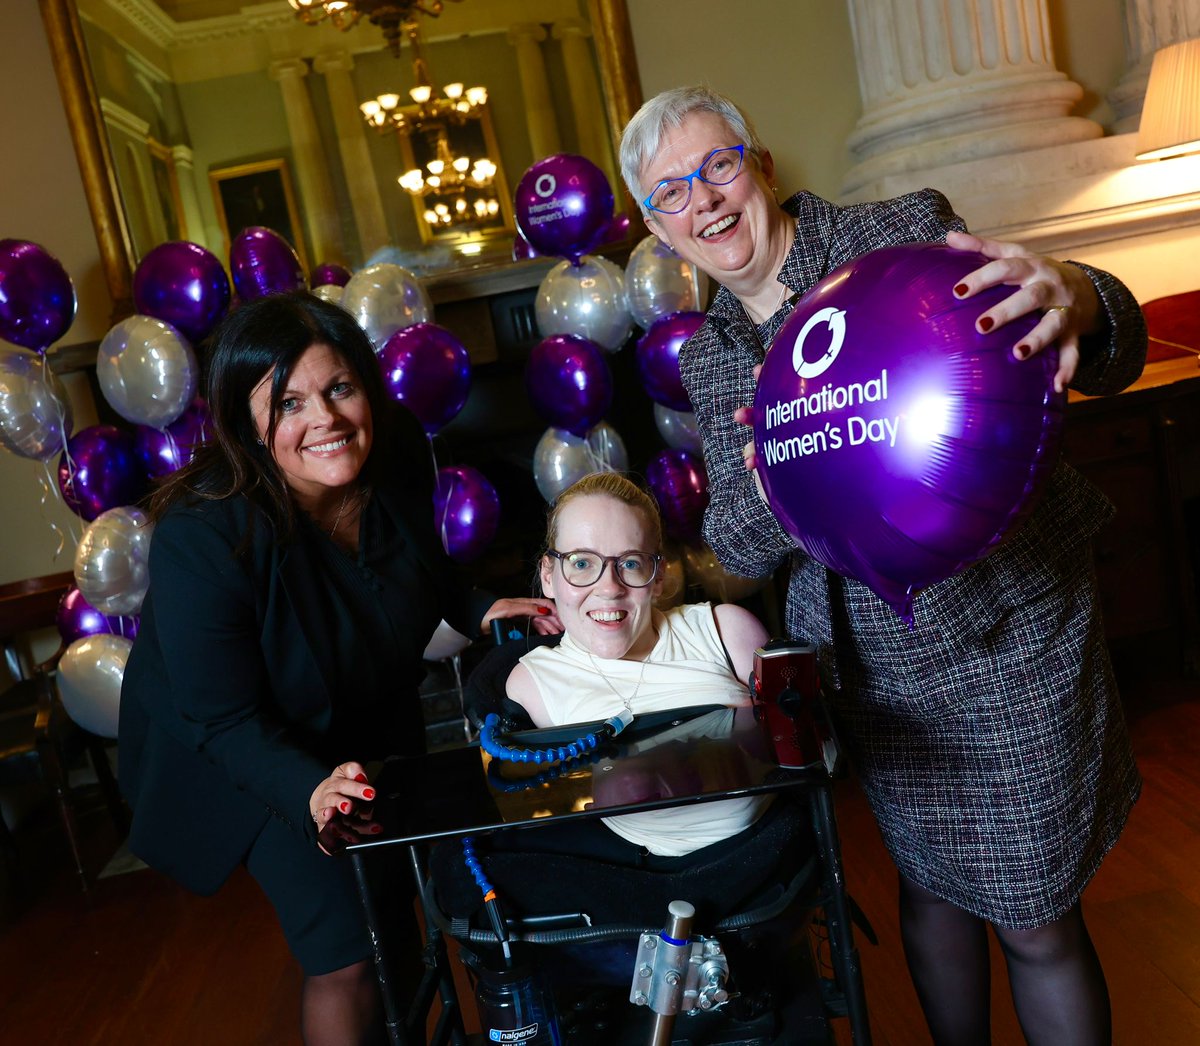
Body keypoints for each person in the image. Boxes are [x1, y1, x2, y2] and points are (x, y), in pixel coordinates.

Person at [619, 85, 1146, 1045]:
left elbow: (1079, 334)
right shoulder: (709, 359)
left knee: (1033, 915)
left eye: (718, 166)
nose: (703, 201)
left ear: (762, 164)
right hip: (879, 680)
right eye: (670, 193)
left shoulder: (900, 234)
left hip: (1008, 636)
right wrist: (782, 489)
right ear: (658, 228)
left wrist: (1076, 293)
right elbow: (736, 546)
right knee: (931, 899)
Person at [117, 292, 558, 1046]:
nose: (324, 418)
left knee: (401, 918)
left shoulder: (392, 454)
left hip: (359, 707)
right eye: (288, 403)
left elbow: (419, 569)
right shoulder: (199, 537)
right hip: (247, 755)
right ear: (246, 423)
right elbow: (222, 719)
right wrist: (307, 789)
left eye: (339, 388)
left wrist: (481, 605)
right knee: (348, 952)